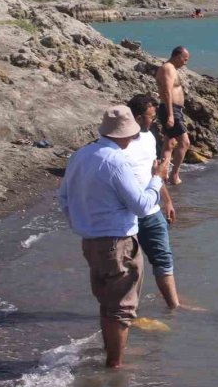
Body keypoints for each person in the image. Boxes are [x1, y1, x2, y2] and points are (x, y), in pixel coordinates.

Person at [58, 106, 169, 368]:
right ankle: (115, 365)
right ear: (124, 135)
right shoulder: (117, 161)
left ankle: (111, 357)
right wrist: (157, 179)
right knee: (121, 308)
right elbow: (141, 206)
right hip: (117, 242)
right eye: (132, 135)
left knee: (107, 303)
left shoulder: (81, 155)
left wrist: (82, 222)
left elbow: (63, 198)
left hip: (91, 241)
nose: (133, 139)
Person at [125, 94, 181, 309]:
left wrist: (167, 201)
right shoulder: (121, 145)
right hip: (127, 214)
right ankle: (127, 309)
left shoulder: (149, 138)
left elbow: (155, 173)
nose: (154, 120)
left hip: (153, 210)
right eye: (151, 116)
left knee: (164, 259)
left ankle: (173, 307)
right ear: (138, 118)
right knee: (130, 266)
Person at [156, 46, 191, 185]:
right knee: (185, 142)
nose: (185, 63)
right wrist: (171, 115)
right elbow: (166, 92)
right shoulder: (168, 68)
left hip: (175, 110)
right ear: (177, 56)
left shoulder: (171, 68)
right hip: (171, 110)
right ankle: (174, 175)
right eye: (185, 59)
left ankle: (162, 174)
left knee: (169, 143)